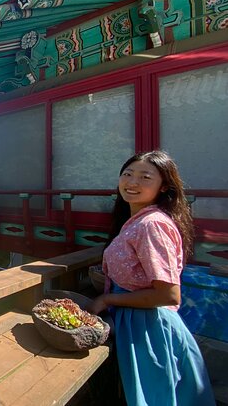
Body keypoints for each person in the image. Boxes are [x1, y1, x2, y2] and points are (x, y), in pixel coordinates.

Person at [89, 150, 215, 405]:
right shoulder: (138, 220)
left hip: (149, 328)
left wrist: (107, 298)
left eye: (145, 177)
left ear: (164, 186)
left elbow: (168, 294)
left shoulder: (152, 224)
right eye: (127, 174)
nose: (132, 182)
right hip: (136, 323)